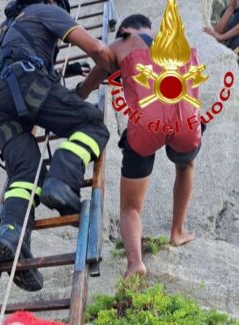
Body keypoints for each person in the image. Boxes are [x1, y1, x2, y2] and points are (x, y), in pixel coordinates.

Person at [0, 0, 114, 292]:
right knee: (92, 125)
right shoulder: (47, 10)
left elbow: (22, 59)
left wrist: (67, 76)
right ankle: (62, 182)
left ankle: (12, 234)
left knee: (26, 172)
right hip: (27, 84)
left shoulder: (7, 28)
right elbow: (97, 49)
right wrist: (118, 67)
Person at [77, 14, 202, 278]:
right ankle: (177, 232)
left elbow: (92, 80)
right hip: (185, 120)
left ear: (123, 30)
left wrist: (80, 91)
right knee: (186, 165)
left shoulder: (123, 44)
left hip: (146, 125)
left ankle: (135, 263)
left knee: (130, 208)